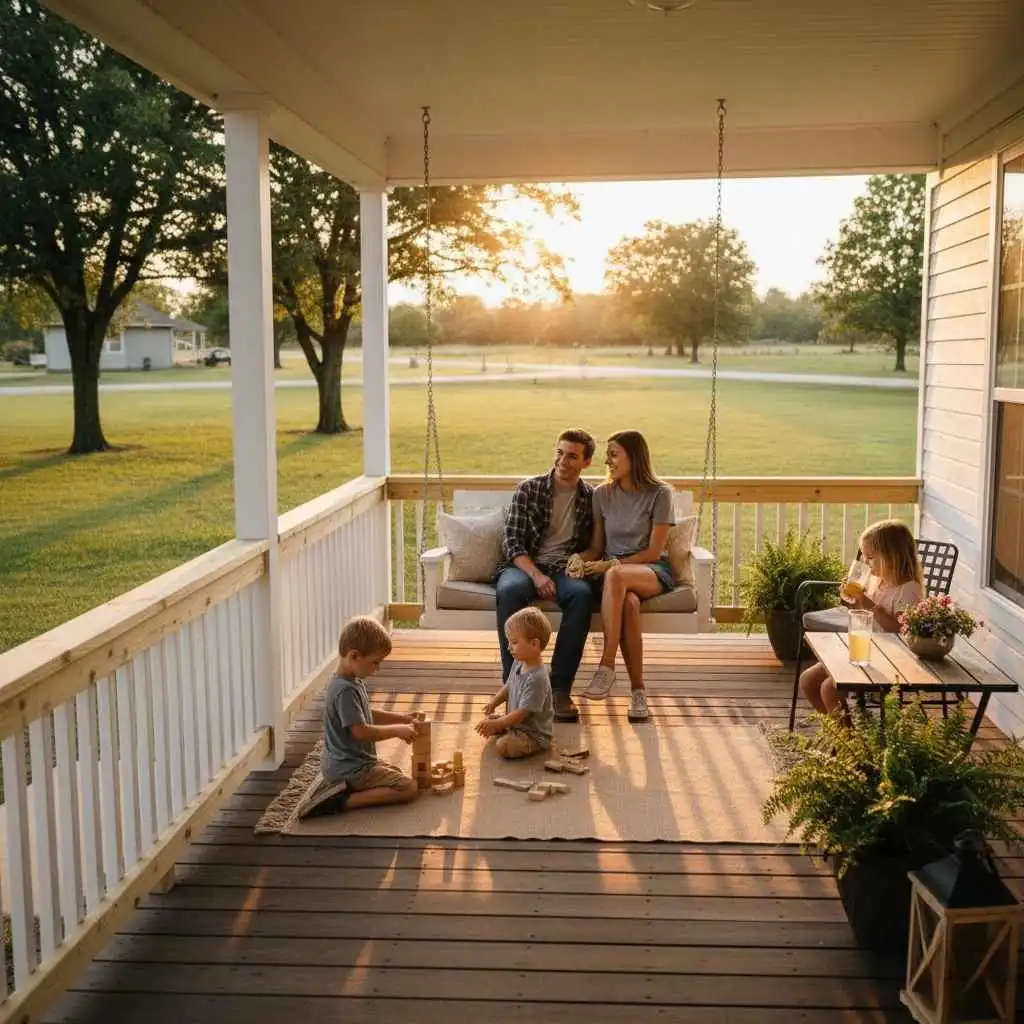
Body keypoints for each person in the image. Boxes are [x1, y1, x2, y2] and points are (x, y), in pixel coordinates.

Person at [495, 428, 597, 723]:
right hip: (524, 565)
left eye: (572, 456)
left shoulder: (590, 497)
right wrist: (537, 576)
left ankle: (560, 688)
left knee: (581, 595)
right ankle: (514, 685)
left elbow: (594, 546)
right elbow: (512, 542)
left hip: (564, 568)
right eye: (560, 452)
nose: (563, 461)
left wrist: (578, 563)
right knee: (510, 591)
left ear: (586, 463)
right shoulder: (529, 489)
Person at [578, 430, 677, 721]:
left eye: (613, 454)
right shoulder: (602, 495)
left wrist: (612, 566)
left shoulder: (660, 493)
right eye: (607, 454)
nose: (607, 461)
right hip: (615, 578)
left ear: (634, 457)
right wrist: (578, 560)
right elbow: (597, 546)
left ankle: (606, 664)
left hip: (651, 570)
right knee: (630, 605)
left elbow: (654, 551)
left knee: (618, 576)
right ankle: (638, 693)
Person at [297, 616, 419, 818]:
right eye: (375, 663)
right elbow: (360, 731)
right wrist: (396, 731)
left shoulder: (351, 680)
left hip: (345, 762)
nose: (376, 669)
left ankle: (345, 788)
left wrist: (402, 718)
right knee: (408, 787)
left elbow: (365, 714)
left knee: (395, 770)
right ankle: (341, 801)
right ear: (355, 656)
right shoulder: (345, 690)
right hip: (349, 768)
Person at [800, 519, 924, 717]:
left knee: (828, 689)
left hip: (889, 657)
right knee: (807, 680)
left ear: (891, 556)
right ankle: (841, 734)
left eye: (870, 558)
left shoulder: (908, 591)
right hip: (862, 648)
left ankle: (847, 743)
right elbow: (862, 614)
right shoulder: (877, 582)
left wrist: (865, 601)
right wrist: (853, 601)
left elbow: (900, 630)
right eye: (864, 557)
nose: (865, 563)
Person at [476, 607, 554, 759]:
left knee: (502, 747)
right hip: (517, 724)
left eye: (514, 642)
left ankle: (527, 742)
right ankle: (508, 729)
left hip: (533, 733)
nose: (509, 647)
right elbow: (510, 685)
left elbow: (520, 714)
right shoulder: (519, 662)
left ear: (534, 644)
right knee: (490, 721)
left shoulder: (537, 679)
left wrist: (499, 724)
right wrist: (495, 702)